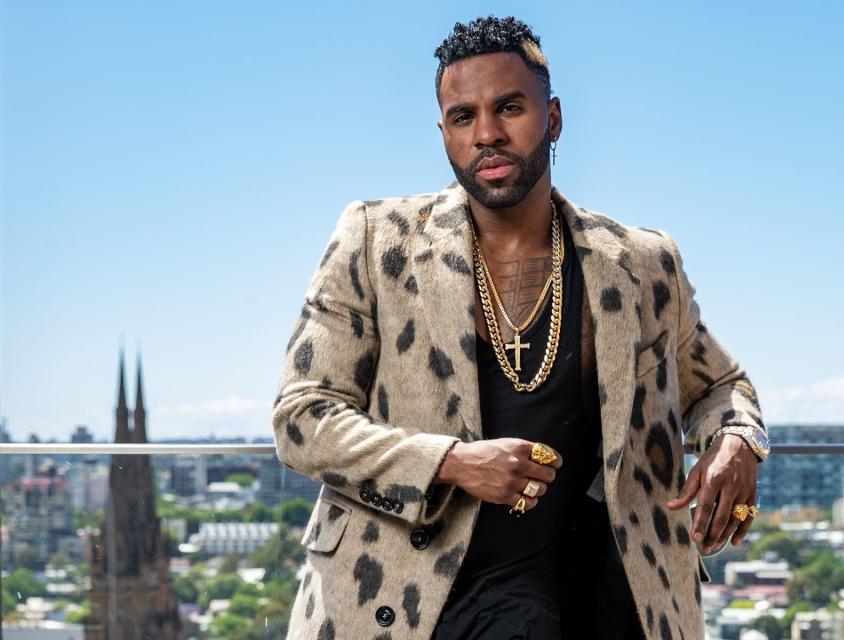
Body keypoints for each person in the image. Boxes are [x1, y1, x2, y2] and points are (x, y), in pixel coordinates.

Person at [272, 15, 769, 640]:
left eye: (509, 108)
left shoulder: (641, 261)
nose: (486, 134)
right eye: (462, 117)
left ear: (554, 118)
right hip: (414, 598)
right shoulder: (377, 241)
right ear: (444, 133)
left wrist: (740, 441)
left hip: (605, 593)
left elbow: (721, 384)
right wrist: (450, 462)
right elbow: (302, 417)